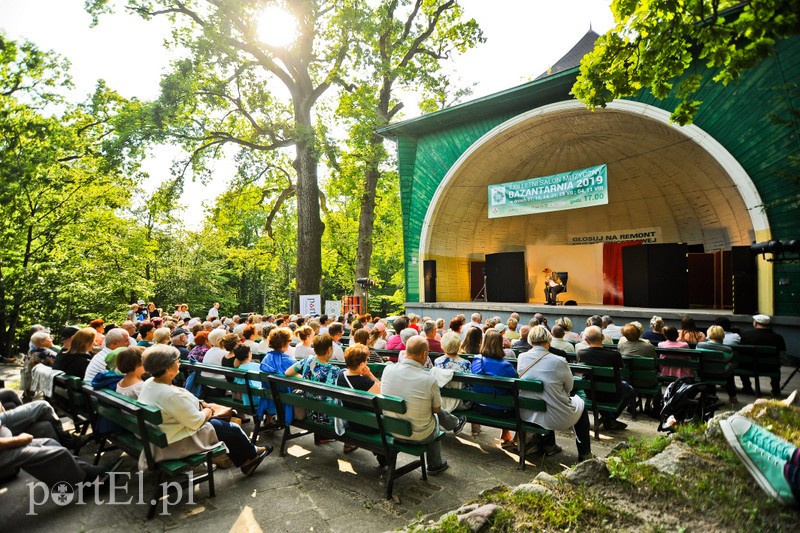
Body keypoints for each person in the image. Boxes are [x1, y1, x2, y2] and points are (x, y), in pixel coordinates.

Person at [138, 345, 271, 476]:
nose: (179, 363)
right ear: (167, 368)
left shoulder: (151, 382)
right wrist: (209, 410)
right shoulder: (168, 393)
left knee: (226, 427)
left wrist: (201, 403)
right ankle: (252, 455)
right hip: (177, 440)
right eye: (176, 360)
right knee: (231, 429)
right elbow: (196, 421)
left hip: (164, 432)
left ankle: (249, 456)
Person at [381, 336, 467, 475]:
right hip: (419, 436)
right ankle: (435, 464)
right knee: (434, 418)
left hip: (392, 429)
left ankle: (454, 423)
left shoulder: (388, 370)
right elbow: (436, 409)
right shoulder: (429, 379)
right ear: (424, 354)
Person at [518, 326, 593, 462]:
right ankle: (585, 453)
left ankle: (549, 445)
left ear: (530, 341)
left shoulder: (522, 357)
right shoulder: (559, 361)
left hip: (529, 411)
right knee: (581, 406)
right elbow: (569, 386)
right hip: (554, 414)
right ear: (548, 341)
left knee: (546, 398)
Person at [576, 326, 635, 430]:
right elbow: (621, 369)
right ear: (603, 337)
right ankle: (610, 419)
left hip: (590, 392)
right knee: (630, 390)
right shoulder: (614, 355)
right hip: (612, 394)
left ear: (586, 340)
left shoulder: (581, 353)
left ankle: (608, 418)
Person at [471, 330, 518, 446]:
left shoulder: (476, 360)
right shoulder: (506, 366)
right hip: (501, 411)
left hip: (478, 406)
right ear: (500, 344)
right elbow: (516, 387)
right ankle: (515, 438)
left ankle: (506, 434)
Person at [286, 334, 341, 425]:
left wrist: (304, 378)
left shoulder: (308, 360)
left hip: (310, 413)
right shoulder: (335, 370)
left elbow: (288, 372)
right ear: (329, 350)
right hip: (328, 418)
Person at [739, 314, 786, 397]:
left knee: (741, 362)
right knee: (776, 365)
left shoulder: (745, 335)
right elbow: (781, 354)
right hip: (770, 367)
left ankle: (747, 387)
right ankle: (776, 390)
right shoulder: (778, 338)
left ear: (755, 323)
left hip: (748, 366)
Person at [258, 328, 296, 424]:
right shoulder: (289, 360)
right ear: (284, 344)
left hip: (269, 394)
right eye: (289, 341)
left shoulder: (266, 358)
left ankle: (269, 419)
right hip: (285, 396)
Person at [697, 325, 737, 403]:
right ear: (722, 335)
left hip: (704, 373)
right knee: (730, 370)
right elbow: (729, 361)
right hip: (722, 374)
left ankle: (711, 393)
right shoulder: (727, 350)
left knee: (708, 366)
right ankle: (732, 396)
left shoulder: (699, 345)